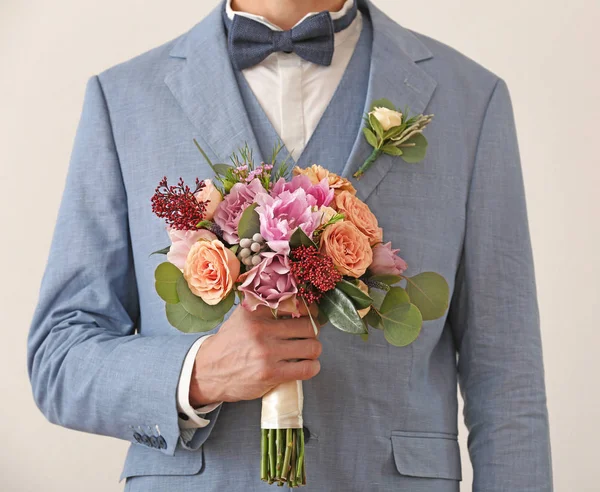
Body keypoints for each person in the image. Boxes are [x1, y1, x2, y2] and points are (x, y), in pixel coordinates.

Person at [27, 0, 553, 490]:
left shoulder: (469, 100)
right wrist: (197, 373)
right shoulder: (124, 99)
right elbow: (60, 355)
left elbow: (508, 380)